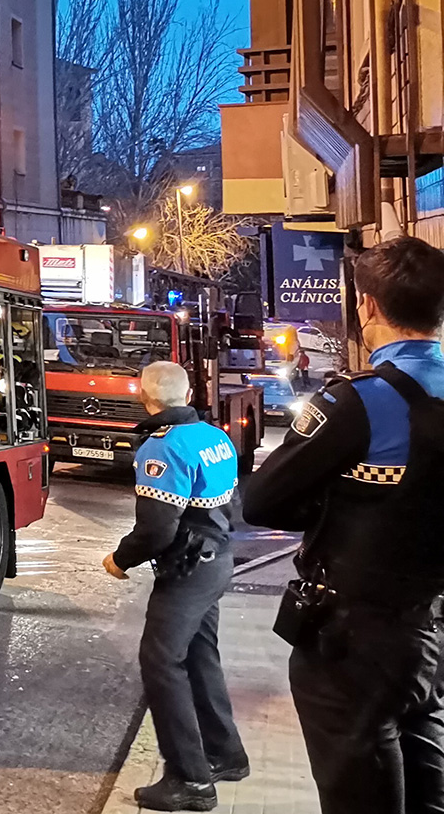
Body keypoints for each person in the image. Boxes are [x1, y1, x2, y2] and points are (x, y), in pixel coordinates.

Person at [243, 235, 444, 814]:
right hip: (427, 625)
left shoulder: (357, 402)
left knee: (359, 787)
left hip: (350, 635)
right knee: (424, 761)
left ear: (368, 308)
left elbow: (262, 502)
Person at [102, 359, 247, 812]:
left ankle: (190, 780)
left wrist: (119, 560)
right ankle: (224, 755)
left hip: (186, 571)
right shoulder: (215, 436)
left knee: (161, 662)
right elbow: (235, 507)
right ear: (187, 396)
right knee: (200, 656)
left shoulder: (161, 448)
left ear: (143, 396)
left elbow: (156, 530)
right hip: (217, 560)